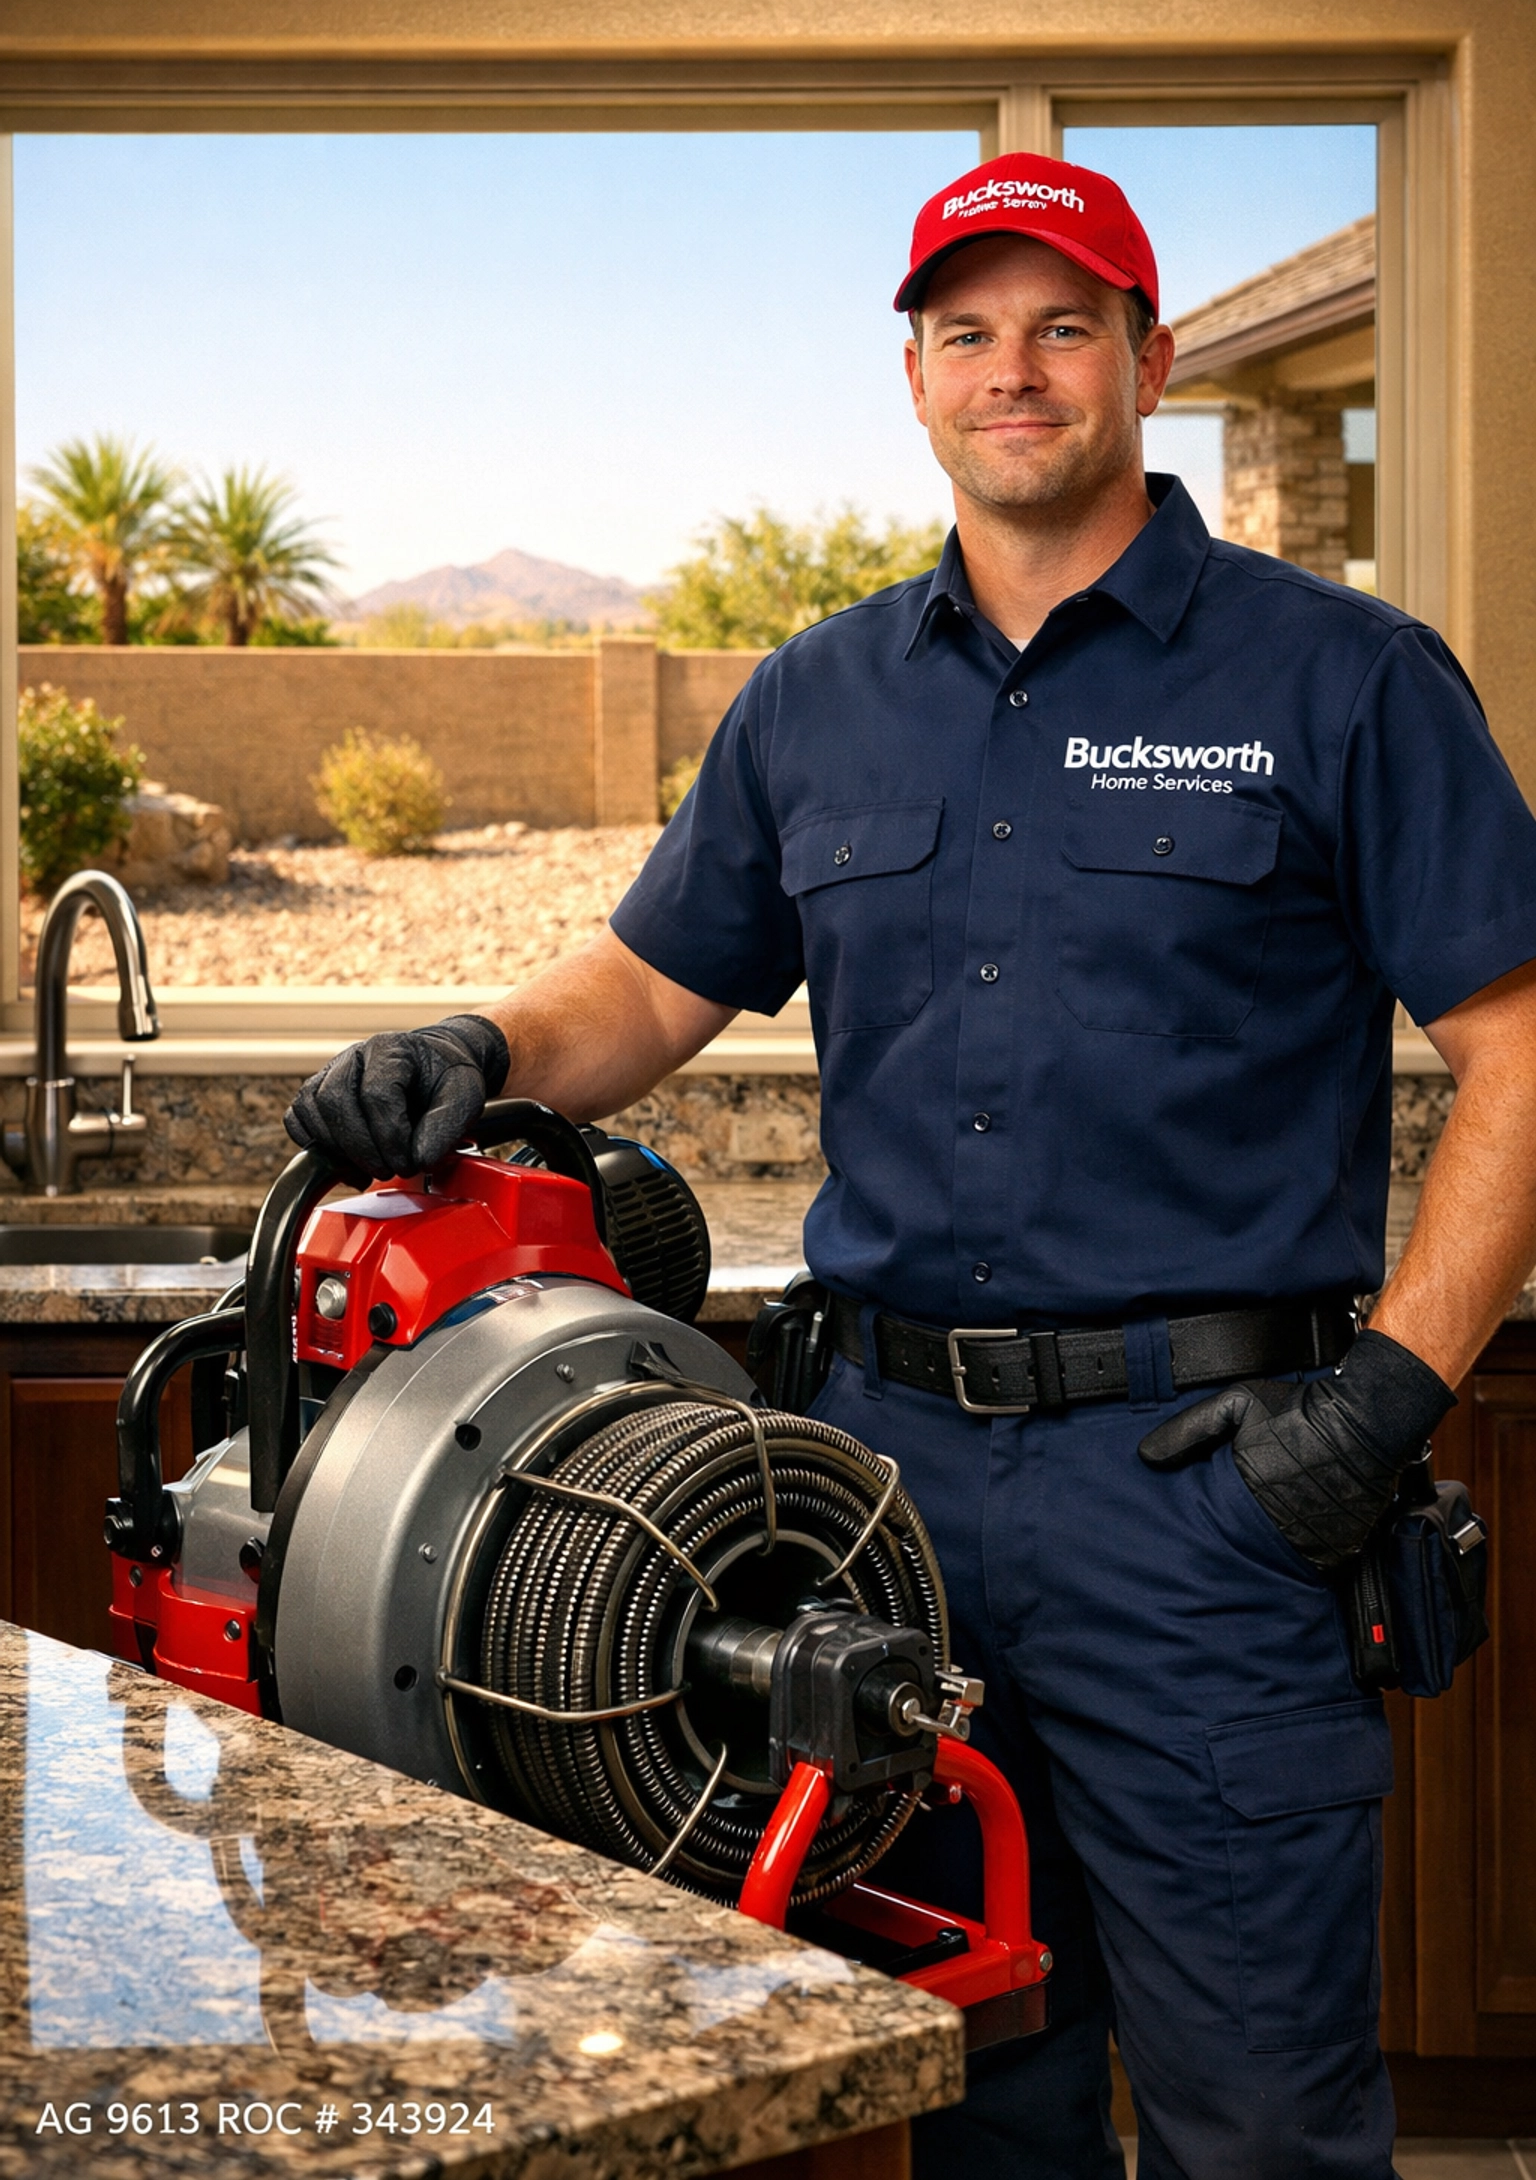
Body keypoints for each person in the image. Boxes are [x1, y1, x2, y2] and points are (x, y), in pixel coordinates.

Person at [286, 152, 1536, 2178]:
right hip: (877, 1506)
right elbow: (649, 988)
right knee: (966, 2079)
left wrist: (1385, 1402)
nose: (1014, 370)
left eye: (1062, 326)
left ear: (1152, 356)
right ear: (917, 376)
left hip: (1208, 1505)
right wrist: (481, 1046)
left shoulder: (1339, 680)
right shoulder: (818, 694)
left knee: (1263, 2119)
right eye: (971, 333)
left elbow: (1519, 1045)